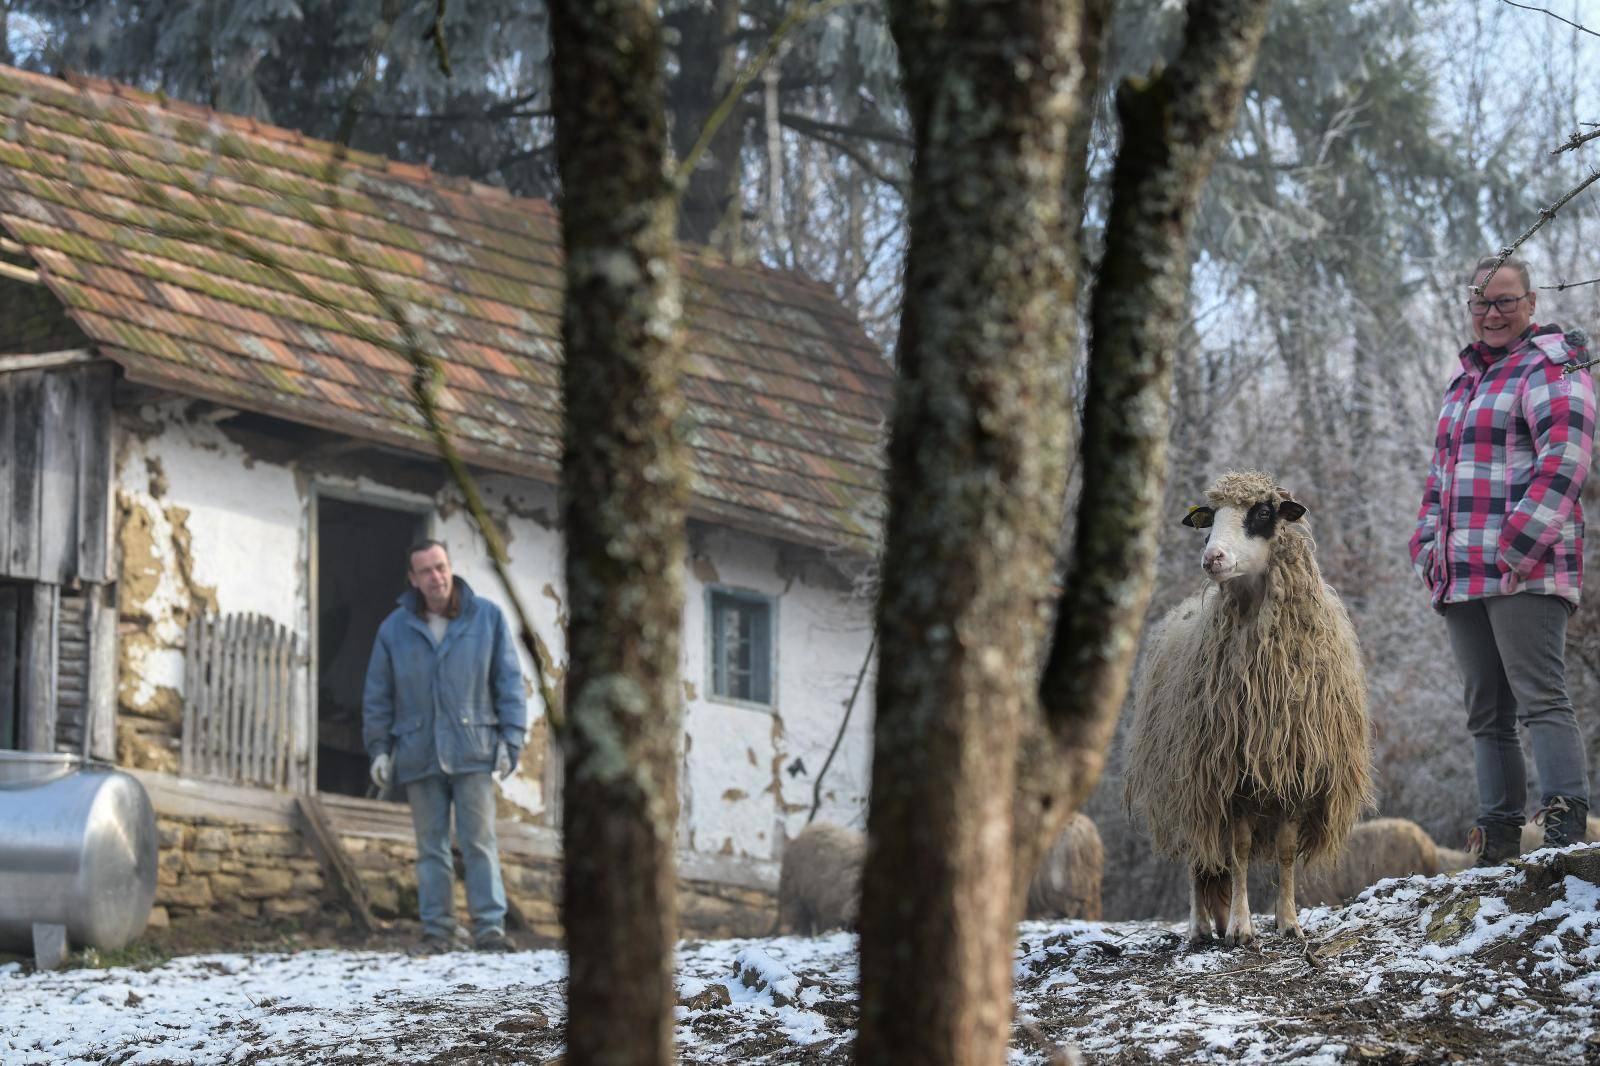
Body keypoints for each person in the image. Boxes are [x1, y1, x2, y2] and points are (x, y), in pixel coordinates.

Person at [1411, 254, 1595, 866]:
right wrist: (1426, 546)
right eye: (1482, 303)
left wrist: (1516, 546)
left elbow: (1565, 461)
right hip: (1460, 573)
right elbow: (1441, 477)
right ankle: (1498, 841)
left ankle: (1566, 837)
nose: (1492, 314)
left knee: (1541, 698)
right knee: (1486, 714)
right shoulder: (1463, 383)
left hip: (1527, 569)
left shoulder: (1553, 367)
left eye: (1506, 301)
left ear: (1532, 303)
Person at [363, 539, 526, 952]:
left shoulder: (486, 617)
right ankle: (438, 930)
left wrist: (512, 738)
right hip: (417, 750)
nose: (436, 577)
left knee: (479, 842)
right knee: (430, 847)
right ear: (413, 579)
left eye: (441, 567)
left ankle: (490, 928)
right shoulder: (393, 629)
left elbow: (508, 682)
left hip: (474, 747)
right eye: (426, 571)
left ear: (450, 567)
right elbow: (378, 694)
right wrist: (379, 748)